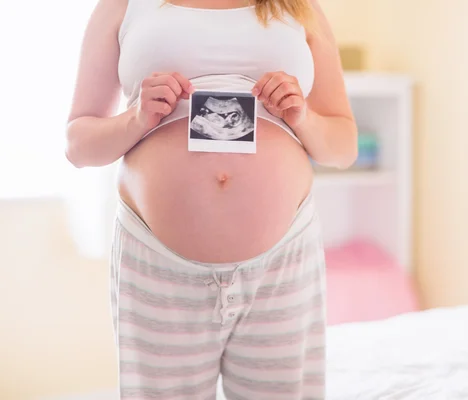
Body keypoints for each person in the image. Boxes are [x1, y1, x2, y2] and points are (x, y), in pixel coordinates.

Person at [65, 0, 357, 398]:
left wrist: (300, 114)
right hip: (157, 266)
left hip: (283, 263)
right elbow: (79, 146)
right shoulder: (124, 6)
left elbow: (342, 148)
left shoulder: (299, 7)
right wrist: (136, 117)